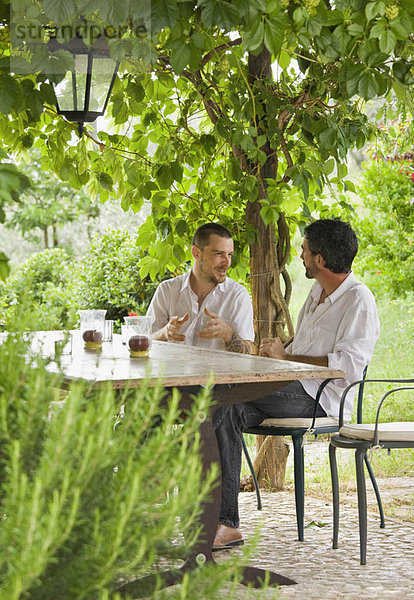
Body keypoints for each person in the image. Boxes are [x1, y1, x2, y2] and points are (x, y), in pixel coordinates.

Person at [213, 218, 380, 550]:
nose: (299, 255)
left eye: (303, 250)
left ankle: (223, 521)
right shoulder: (318, 292)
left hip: (321, 399)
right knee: (221, 408)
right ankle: (224, 523)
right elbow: (304, 344)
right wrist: (279, 350)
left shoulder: (358, 301)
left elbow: (346, 366)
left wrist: (287, 361)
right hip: (292, 389)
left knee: (223, 397)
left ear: (319, 259)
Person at [146, 223, 254, 353]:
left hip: (216, 373)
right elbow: (145, 340)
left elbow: (250, 351)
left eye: (229, 254)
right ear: (196, 253)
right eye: (219, 254)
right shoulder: (167, 290)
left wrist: (228, 334)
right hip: (171, 372)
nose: (227, 262)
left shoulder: (237, 295)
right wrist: (164, 333)